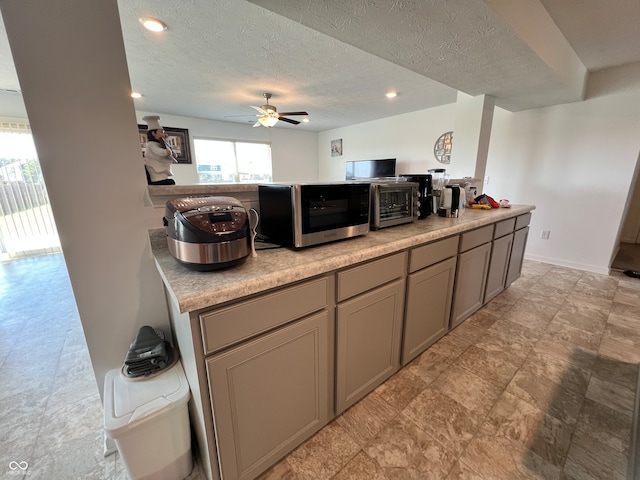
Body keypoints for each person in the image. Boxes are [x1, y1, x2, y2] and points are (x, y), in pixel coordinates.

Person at [143, 115, 177, 185]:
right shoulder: (151, 144)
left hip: (161, 165)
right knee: (158, 176)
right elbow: (158, 151)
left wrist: (171, 153)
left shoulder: (161, 143)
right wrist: (165, 152)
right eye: (161, 132)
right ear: (153, 133)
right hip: (154, 166)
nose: (163, 134)